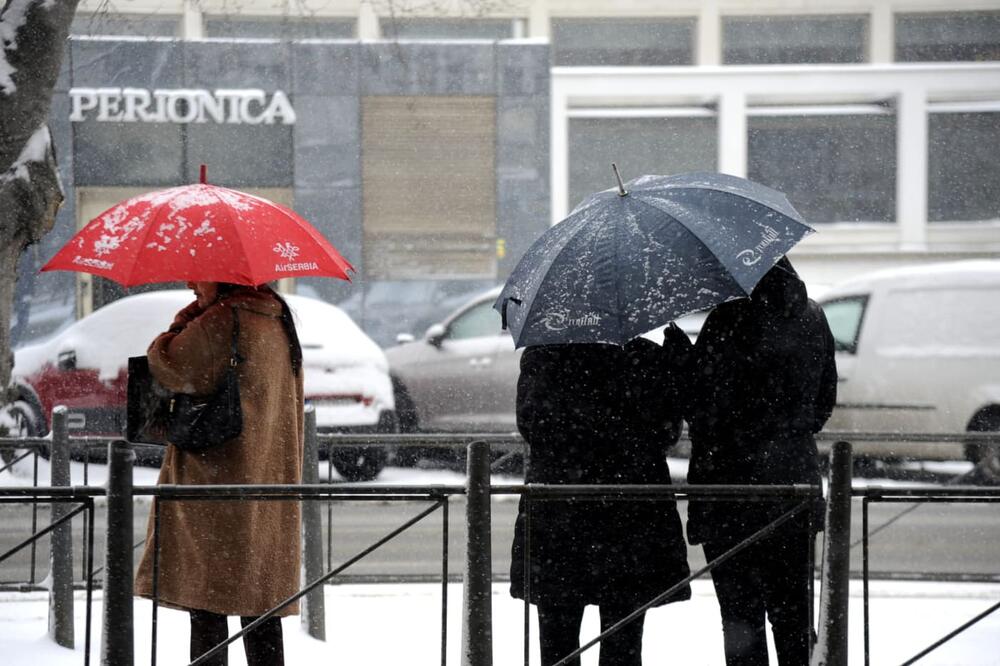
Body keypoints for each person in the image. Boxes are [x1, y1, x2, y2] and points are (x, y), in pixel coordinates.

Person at [134, 281, 304, 666]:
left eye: (197, 273)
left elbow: (167, 363)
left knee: (207, 603)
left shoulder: (222, 320)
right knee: (260, 606)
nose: (190, 282)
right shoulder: (277, 319)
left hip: (215, 484)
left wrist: (182, 322)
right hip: (266, 483)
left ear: (222, 275)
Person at [685, 257, 837, 666]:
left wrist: (685, 362)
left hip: (732, 490)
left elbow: (706, 410)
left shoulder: (728, 321)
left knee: (741, 618)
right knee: (793, 616)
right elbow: (823, 404)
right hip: (793, 487)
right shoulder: (812, 316)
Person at [509, 327, 693, 666]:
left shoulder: (543, 356)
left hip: (560, 510)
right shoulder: (644, 358)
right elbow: (667, 431)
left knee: (558, 642)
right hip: (629, 514)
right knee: (623, 640)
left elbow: (531, 426)